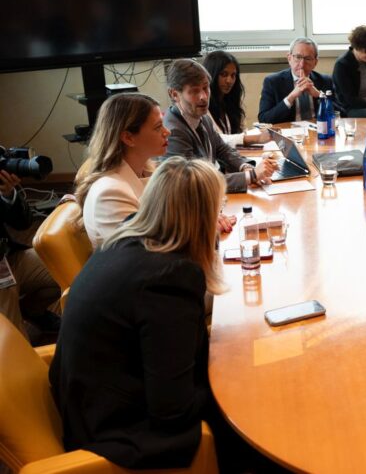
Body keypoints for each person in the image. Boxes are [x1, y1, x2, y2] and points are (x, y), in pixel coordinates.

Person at [50, 158, 275, 472]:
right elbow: (173, 411)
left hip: (89, 398)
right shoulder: (168, 279)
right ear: (200, 216)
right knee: (261, 408)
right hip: (121, 429)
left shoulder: (126, 240)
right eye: (217, 206)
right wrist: (234, 385)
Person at [163, 59, 276, 194]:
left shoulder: (202, 117)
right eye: (194, 91)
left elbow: (221, 149)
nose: (204, 97)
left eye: (206, 88)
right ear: (174, 94)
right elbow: (195, 183)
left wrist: (245, 167)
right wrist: (251, 176)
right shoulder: (173, 132)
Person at [74, 93, 170, 247]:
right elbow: (145, 251)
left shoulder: (145, 170)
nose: (167, 132)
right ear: (128, 138)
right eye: (158, 127)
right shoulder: (111, 193)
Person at [0, 169, 60, 341]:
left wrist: (8, 194)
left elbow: (24, 223)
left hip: (8, 258)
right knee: (14, 343)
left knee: (68, 265)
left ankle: (32, 310)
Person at [258, 37, 333, 124]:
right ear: (289, 58)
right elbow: (264, 119)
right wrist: (291, 97)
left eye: (308, 58)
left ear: (315, 62)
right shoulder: (272, 82)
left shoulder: (326, 80)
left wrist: (319, 95)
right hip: (288, 133)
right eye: (298, 57)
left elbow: (341, 113)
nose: (302, 64)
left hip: (319, 132)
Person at [202, 50, 258, 147]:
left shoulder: (231, 102)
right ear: (211, 75)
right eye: (224, 74)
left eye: (233, 75)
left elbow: (241, 132)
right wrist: (257, 138)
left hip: (233, 157)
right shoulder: (202, 105)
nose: (229, 81)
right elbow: (215, 139)